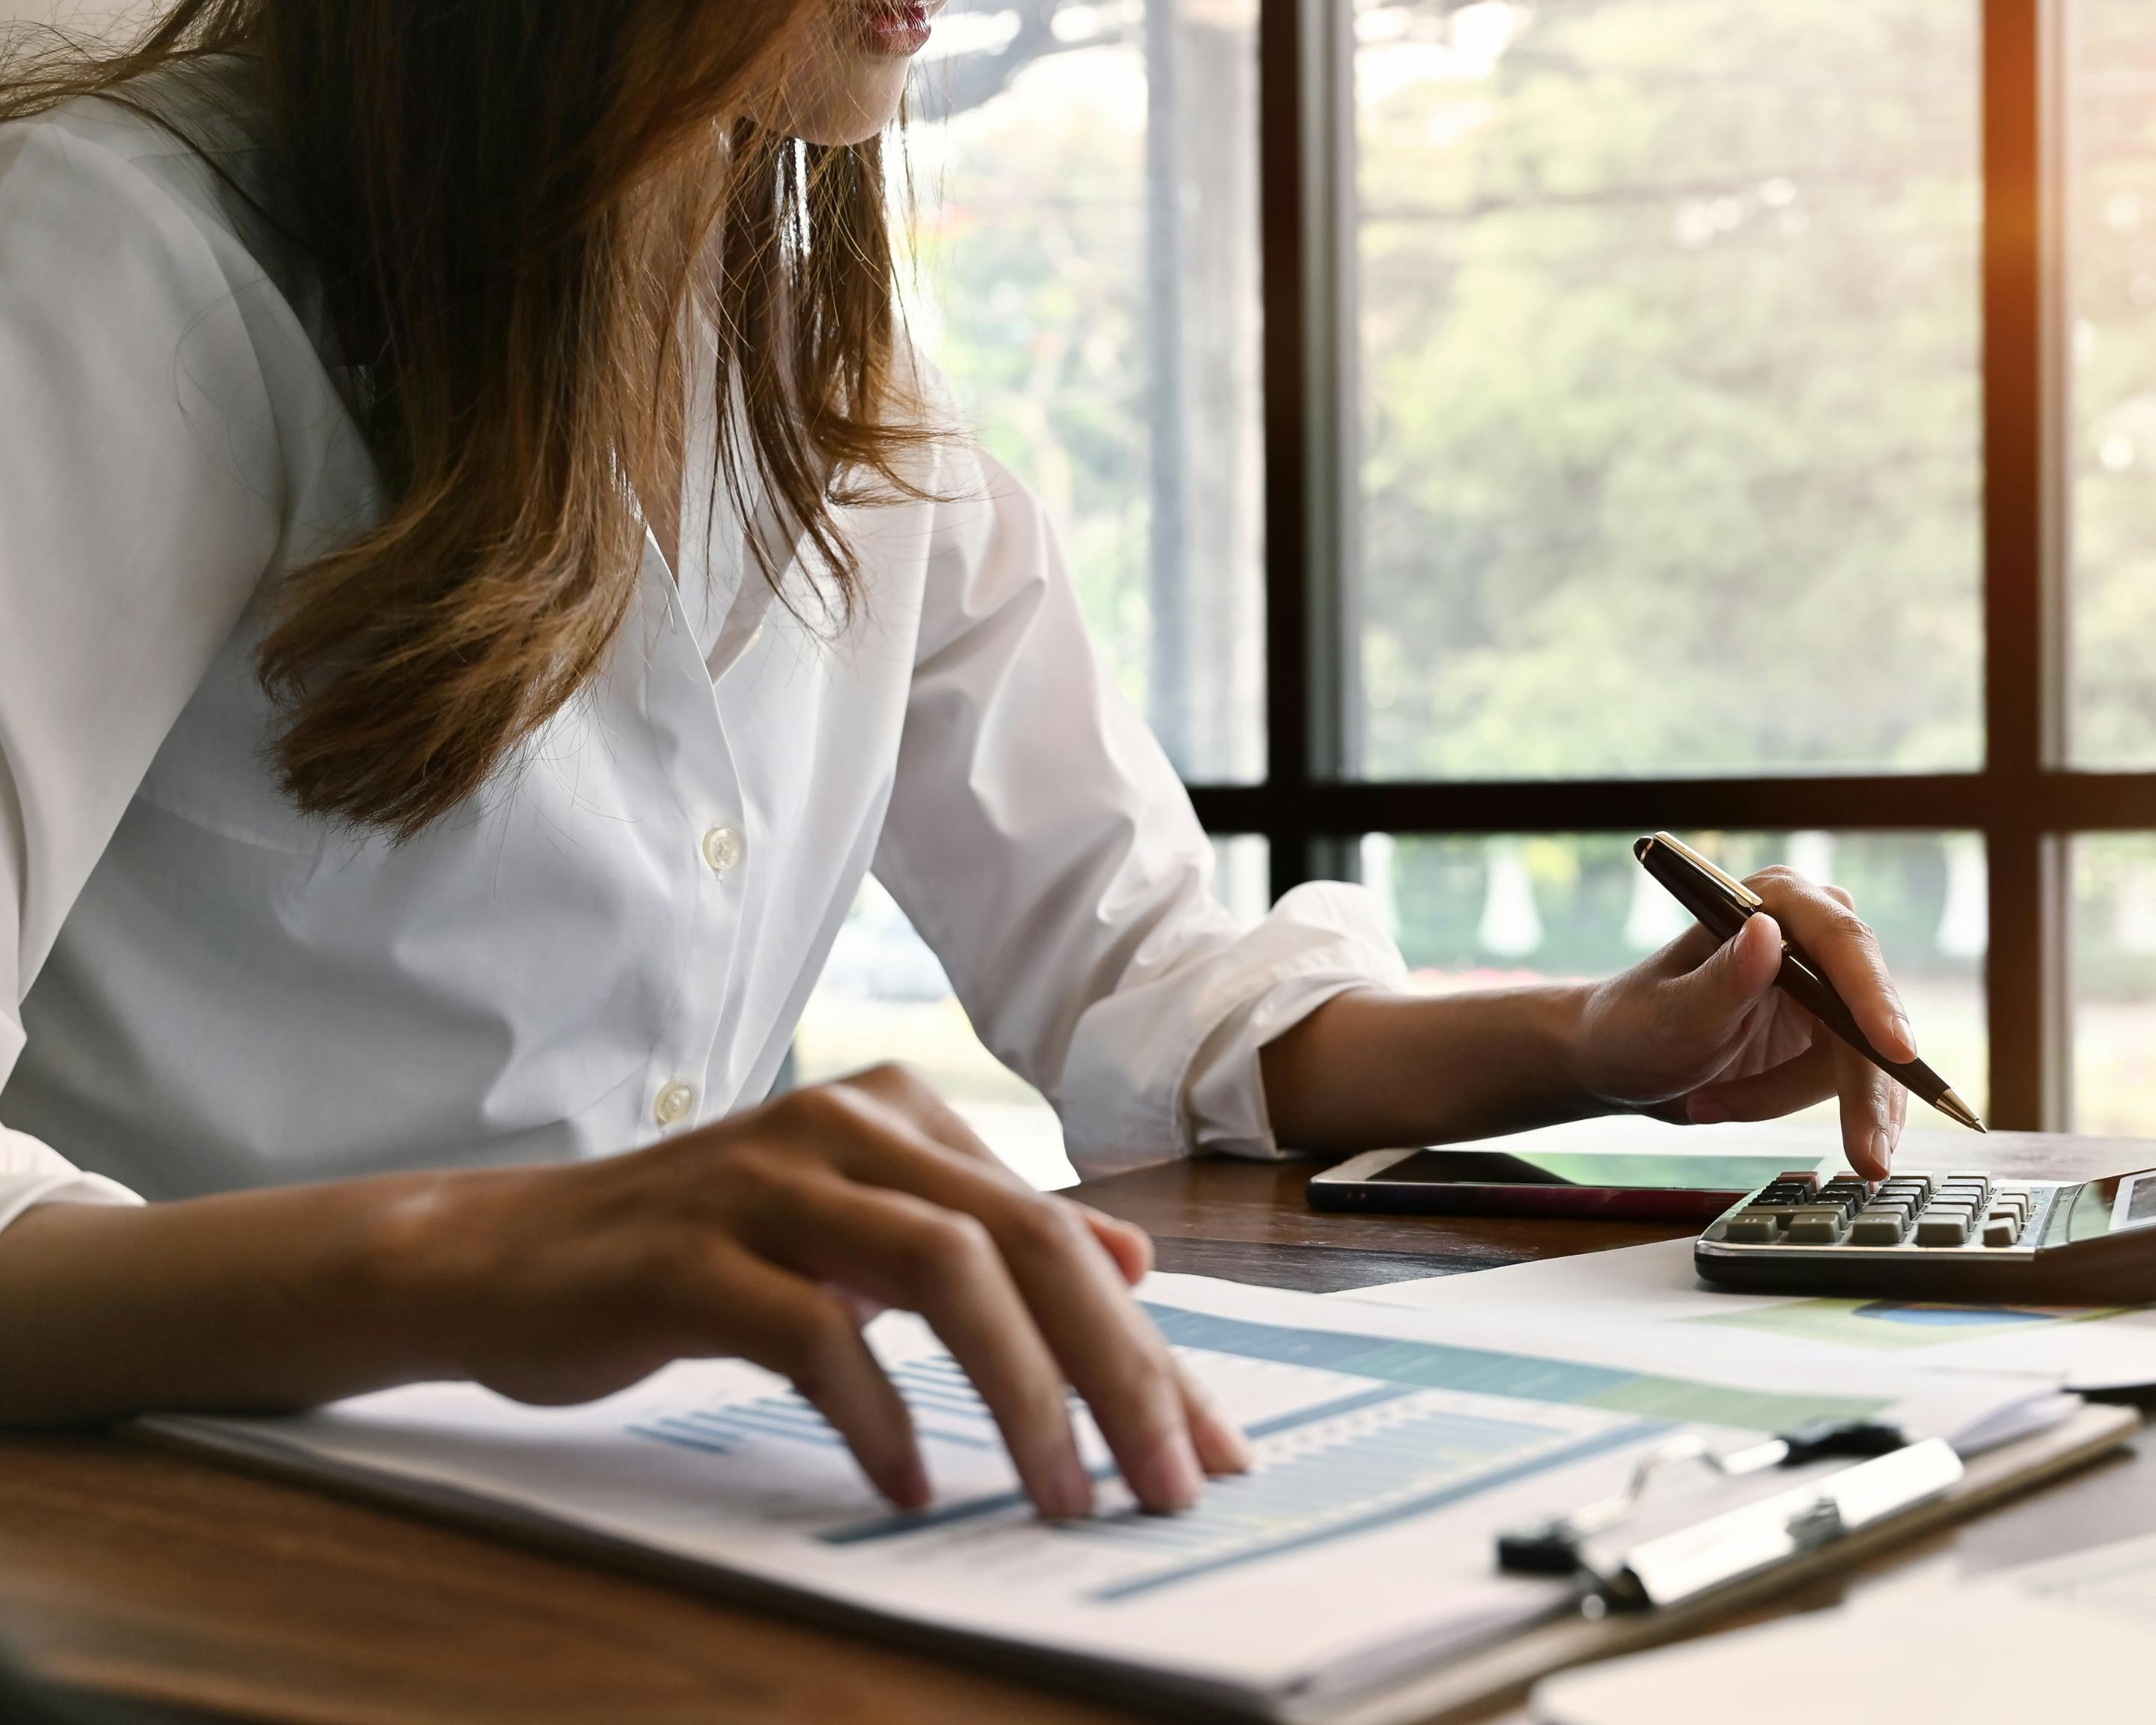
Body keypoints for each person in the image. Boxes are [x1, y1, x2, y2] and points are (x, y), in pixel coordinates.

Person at [0, 0, 1922, 1524]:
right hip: (176, 1544)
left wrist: (1596, 1039)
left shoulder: (821, 369)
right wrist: (490, 1257)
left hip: (661, 1515)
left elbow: (1146, 977)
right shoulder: (114, 266)